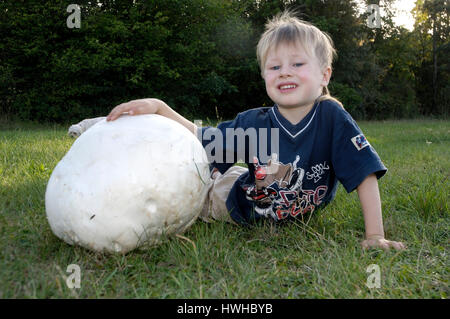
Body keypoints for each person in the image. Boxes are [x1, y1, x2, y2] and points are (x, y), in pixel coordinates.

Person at [95, 11, 404, 250]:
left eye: (297, 64)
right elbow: (201, 137)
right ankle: (100, 127)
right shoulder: (255, 122)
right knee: (174, 187)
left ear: (325, 75)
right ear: (264, 75)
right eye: (274, 67)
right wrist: (161, 108)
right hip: (225, 198)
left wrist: (375, 235)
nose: (285, 71)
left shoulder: (331, 118)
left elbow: (364, 173)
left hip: (265, 197)